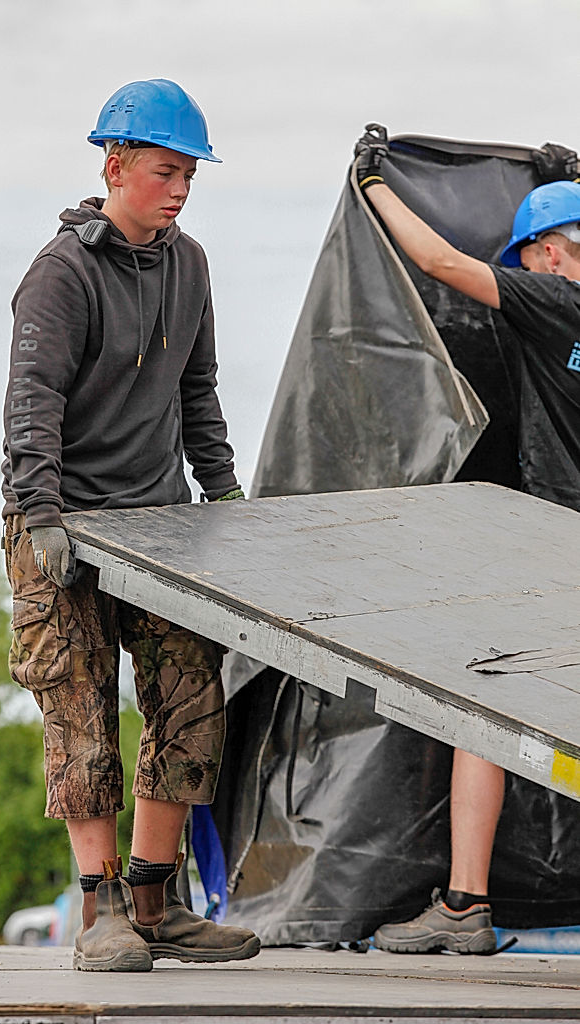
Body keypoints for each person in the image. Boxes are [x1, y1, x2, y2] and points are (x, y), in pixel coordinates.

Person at [2, 78, 260, 972]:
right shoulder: (60, 272)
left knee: (190, 700)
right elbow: (30, 402)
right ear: (115, 166)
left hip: (161, 525)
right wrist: (41, 516)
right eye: (164, 170)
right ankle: (100, 908)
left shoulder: (188, 265)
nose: (180, 188)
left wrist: (223, 496)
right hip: (63, 523)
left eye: (189, 172)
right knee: (78, 713)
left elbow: (199, 391)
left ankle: (155, 901)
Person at [353, 124, 580, 954]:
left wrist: (375, 185)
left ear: (550, 255)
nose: (516, 267)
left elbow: (443, 266)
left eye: (524, 252)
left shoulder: (554, 299)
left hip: (557, 544)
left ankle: (462, 905)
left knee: (478, 705)